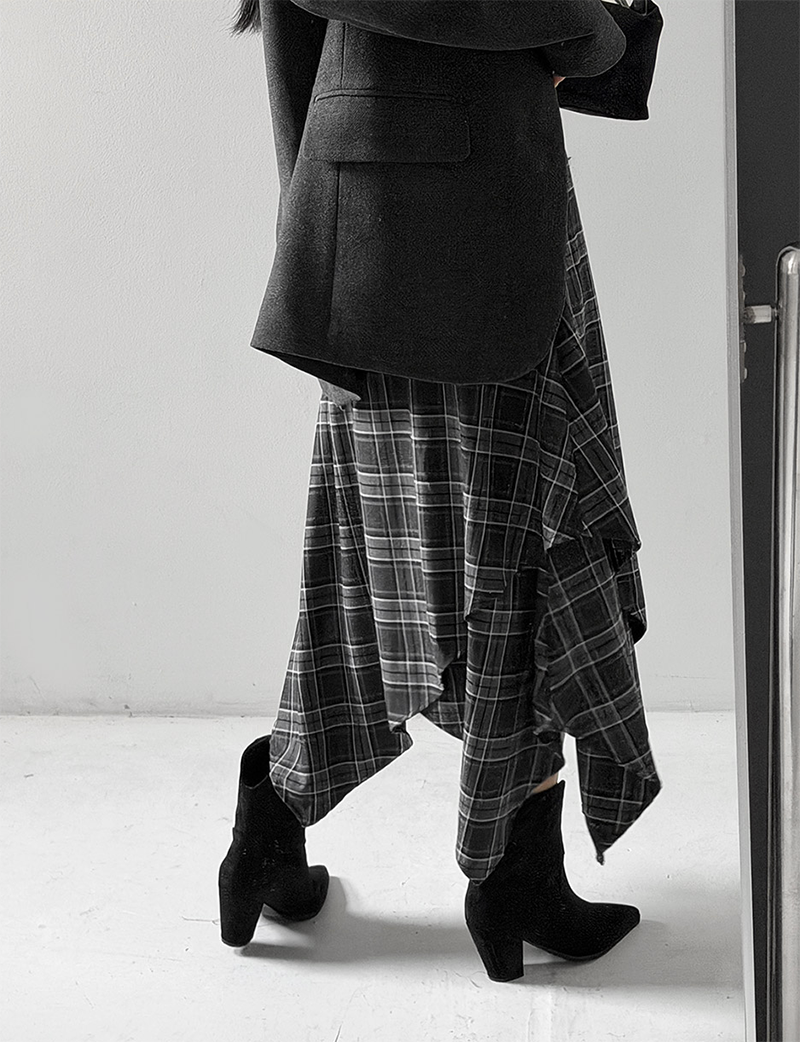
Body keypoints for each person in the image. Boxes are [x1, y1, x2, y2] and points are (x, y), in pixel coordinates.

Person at [218, 0, 662, 983]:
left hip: (444, 220)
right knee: (470, 551)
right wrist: (585, 29)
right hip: (407, 237)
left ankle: (314, 830)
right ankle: (485, 867)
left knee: (491, 542)